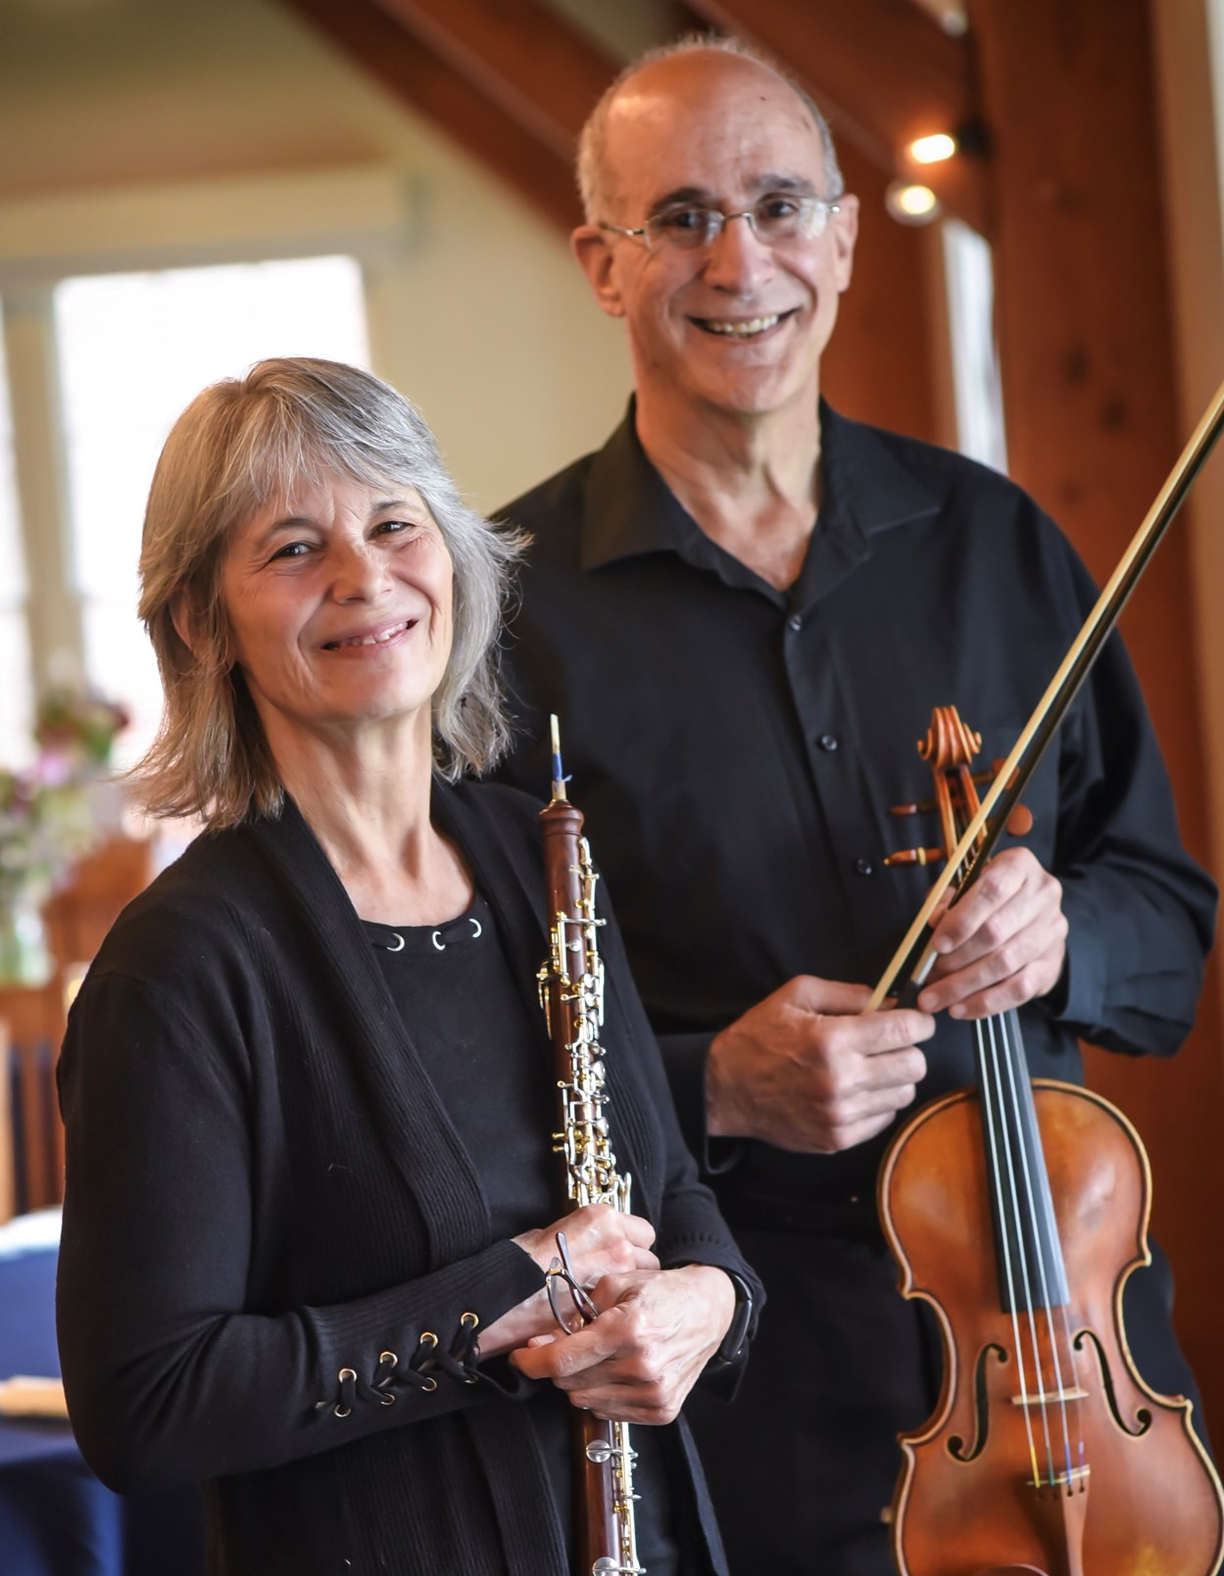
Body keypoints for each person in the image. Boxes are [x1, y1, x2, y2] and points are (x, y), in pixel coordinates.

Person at [493, 36, 1219, 1576]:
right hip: (747, 1382)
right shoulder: (507, 623)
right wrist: (707, 1087)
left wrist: (1066, 939)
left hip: (1075, 1356)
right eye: (679, 217)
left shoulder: (1000, 549)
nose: (738, 259)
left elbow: (1170, 917)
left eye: (777, 204)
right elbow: (464, 1060)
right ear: (599, 266)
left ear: (841, 233)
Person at [55, 356, 764, 1576]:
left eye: (394, 522)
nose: (363, 575)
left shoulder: (537, 853)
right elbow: (147, 1405)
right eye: (290, 548)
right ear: (200, 621)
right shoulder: (178, 968)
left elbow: (676, 1199)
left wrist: (712, 1302)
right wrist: (511, 1290)